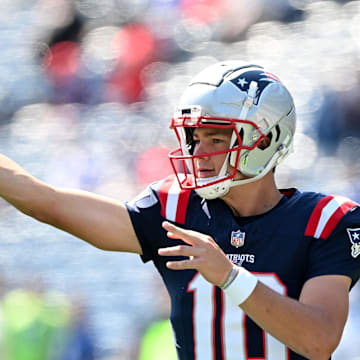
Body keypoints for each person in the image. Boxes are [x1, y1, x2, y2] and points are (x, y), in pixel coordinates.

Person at [0, 61, 359, 360]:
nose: (199, 153)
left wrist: (230, 276)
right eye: (194, 139)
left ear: (264, 138)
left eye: (217, 139)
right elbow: (48, 203)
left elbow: (319, 340)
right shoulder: (174, 207)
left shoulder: (326, 220)